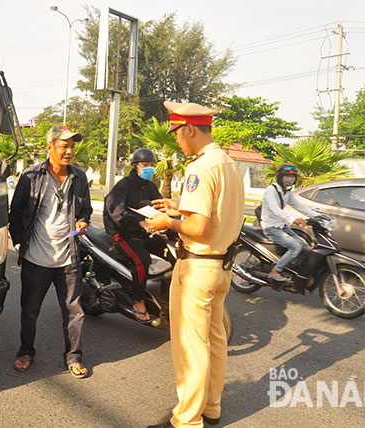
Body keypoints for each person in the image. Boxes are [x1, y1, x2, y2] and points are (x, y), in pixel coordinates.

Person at [145, 101, 244, 428]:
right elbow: (215, 214)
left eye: (176, 133)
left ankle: (186, 419)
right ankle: (211, 408)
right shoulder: (227, 163)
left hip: (198, 266)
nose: (176, 140)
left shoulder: (200, 168)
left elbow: (198, 228)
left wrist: (167, 222)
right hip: (221, 267)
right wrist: (178, 206)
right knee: (214, 339)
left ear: (189, 128)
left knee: (191, 346)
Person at [8, 125, 93, 379]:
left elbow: (85, 210)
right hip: (37, 258)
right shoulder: (31, 177)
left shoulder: (79, 177)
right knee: (30, 310)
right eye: (64, 145)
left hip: (68, 258)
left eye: (72, 146)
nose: (70, 151)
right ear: (50, 147)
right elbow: (15, 213)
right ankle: (26, 351)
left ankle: (74, 356)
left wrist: (83, 221)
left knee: (74, 311)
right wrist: (20, 244)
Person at [103, 147, 166, 323]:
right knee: (142, 260)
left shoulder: (151, 186)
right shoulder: (123, 186)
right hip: (123, 235)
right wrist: (139, 222)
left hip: (145, 234)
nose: (150, 169)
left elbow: (159, 206)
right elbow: (116, 210)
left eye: (152, 165)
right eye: (146, 165)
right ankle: (138, 301)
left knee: (171, 251)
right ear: (135, 165)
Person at [260, 163, 314, 283]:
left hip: (282, 227)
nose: (291, 178)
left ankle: (290, 268)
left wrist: (318, 216)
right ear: (280, 176)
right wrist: (293, 219)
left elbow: (300, 207)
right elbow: (275, 209)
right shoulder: (271, 190)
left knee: (307, 248)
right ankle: (275, 271)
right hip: (271, 227)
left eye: (293, 176)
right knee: (295, 246)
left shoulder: (288, 193)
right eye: (287, 175)